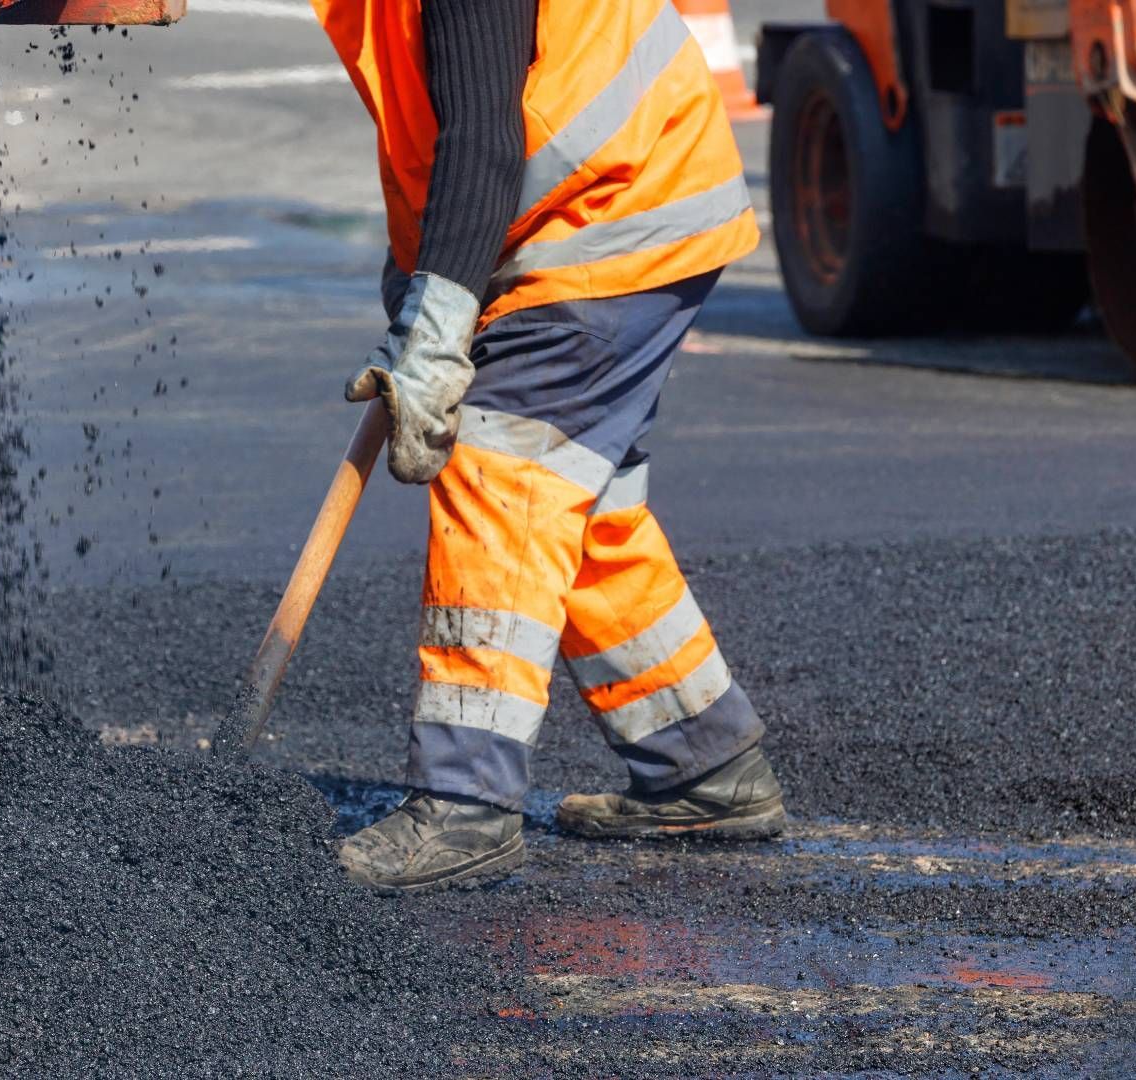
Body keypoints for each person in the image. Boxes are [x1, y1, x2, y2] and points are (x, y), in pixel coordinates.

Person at [318, 0, 788, 893]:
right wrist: (422, 283)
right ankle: (704, 761)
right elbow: (442, 118)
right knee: (583, 496)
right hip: (609, 195)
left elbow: (486, 137)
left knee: (501, 469)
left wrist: (441, 315)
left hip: (615, 209)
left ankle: (464, 804)